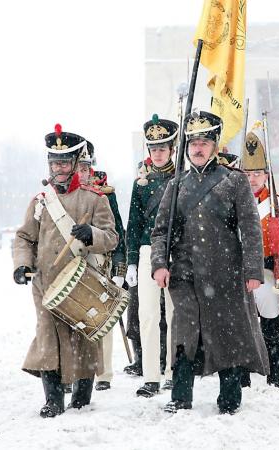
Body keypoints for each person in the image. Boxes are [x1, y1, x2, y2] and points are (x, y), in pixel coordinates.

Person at [151, 111, 269, 414]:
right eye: (193, 143)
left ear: (215, 145)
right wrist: (159, 263)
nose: (198, 148)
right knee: (185, 334)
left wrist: (253, 270)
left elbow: (251, 228)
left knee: (226, 334)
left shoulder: (234, 181)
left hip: (226, 273)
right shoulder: (176, 185)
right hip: (185, 273)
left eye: (204, 142)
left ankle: (229, 398)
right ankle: (180, 396)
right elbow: (161, 230)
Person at [13, 124, 118, 417]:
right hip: (46, 283)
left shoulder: (95, 199)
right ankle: (53, 400)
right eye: (54, 162)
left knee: (82, 338)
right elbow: (24, 238)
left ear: (74, 164)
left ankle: (82, 396)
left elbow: (111, 237)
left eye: (63, 162)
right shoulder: (40, 201)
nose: (58, 168)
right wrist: (21, 264)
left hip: (82, 280)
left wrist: (91, 235)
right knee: (48, 337)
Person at [125, 115, 177, 397]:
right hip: (147, 250)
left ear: (171, 148)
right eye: (153, 148)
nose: (157, 153)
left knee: (172, 314)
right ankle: (150, 376)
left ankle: (171, 372)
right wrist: (132, 260)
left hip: (174, 251)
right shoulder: (141, 184)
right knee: (147, 314)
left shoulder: (180, 179)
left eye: (162, 148)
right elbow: (133, 224)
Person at [241, 123, 279, 388]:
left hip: (267, 271)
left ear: (266, 176)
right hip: (240, 273)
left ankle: (275, 376)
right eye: (248, 174)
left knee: (271, 327)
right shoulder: (232, 203)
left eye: (257, 174)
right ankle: (242, 378)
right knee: (243, 329)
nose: (252, 180)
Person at [77, 143, 127, 391]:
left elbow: (118, 232)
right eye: (78, 167)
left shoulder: (104, 194)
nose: (82, 173)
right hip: (72, 262)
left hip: (99, 261)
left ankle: (104, 373)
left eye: (85, 167)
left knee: (102, 318)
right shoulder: (61, 194)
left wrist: (120, 269)